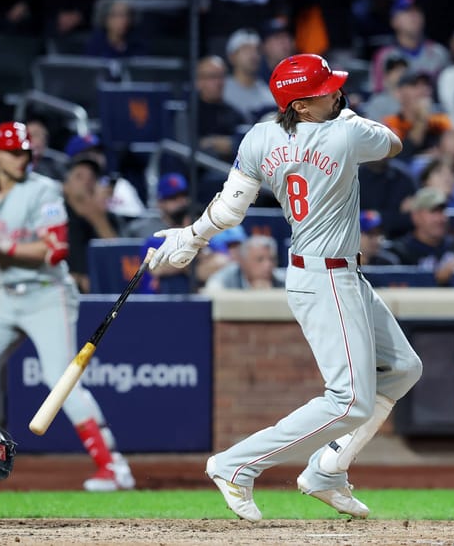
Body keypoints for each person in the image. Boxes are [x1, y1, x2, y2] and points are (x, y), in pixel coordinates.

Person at [148, 54, 422, 521]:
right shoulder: (347, 132)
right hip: (326, 277)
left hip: (330, 274)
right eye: (324, 91)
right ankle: (236, 465)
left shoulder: (260, 135)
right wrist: (350, 113)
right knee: (350, 400)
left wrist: (191, 237)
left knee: (402, 368)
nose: (336, 93)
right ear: (299, 105)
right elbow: (394, 142)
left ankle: (328, 470)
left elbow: (230, 209)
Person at [0, 122, 135, 492]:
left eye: (26, 153)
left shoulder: (45, 191)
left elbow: (56, 250)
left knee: (60, 380)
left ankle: (113, 467)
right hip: (6, 296)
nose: (23, 159)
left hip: (46, 294)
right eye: (15, 153)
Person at [62, 155, 122, 293]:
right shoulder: (57, 215)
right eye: (79, 177)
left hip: (102, 292)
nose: (87, 182)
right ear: (65, 186)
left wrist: (97, 217)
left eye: (92, 178)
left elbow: (118, 257)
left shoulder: (106, 217)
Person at [388, 187, 454, 285]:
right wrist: (437, 278)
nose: (439, 219)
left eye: (442, 211)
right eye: (433, 211)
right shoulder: (399, 252)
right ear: (416, 216)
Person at [223, 28, 277, 123]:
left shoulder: (269, 95)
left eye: (257, 49)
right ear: (232, 56)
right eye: (245, 49)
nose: (253, 54)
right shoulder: (220, 90)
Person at [203, 234, 283, 290]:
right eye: (260, 259)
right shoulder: (223, 280)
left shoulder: (284, 280)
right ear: (243, 262)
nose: (268, 265)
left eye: (272, 259)